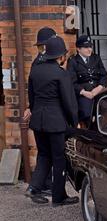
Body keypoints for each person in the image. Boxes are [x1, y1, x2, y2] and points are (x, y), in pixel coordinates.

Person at [27, 36, 79, 207]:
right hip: (55, 122)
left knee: (43, 154)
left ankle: (34, 187)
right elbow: (68, 102)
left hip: (38, 121)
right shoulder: (61, 74)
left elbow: (32, 98)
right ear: (61, 56)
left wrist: (35, 113)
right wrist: (74, 121)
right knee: (58, 159)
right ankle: (59, 197)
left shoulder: (35, 71)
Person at [24, 27, 57, 202]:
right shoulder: (43, 61)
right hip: (47, 115)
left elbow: (31, 90)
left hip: (39, 114)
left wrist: (32, 107)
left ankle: (44, 184)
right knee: (47, 152)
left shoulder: (38, 61)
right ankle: (36, 186)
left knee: (45, 152)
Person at [67, 35, 107, 127]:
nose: (89, 49)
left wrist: (99, 87)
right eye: (86, 47)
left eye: (90, 46)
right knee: (87, 114)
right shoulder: (73, 61)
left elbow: (104, 75)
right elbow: (71, 82)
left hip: (98, 92)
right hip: (84, 95)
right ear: (78, 49)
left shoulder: (96, 58)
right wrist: (83, 92)